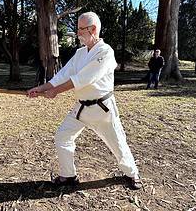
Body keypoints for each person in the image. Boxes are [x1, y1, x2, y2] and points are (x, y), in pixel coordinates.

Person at [27, 12, 142, 190]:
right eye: (78, 29)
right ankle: (68, 175)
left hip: (102, 109)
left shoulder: (105, 52)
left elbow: (83, 78)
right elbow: (64, 74)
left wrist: (55, 91)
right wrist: (42, 88)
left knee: (118, 143)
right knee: (62, 136)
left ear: (93, 29)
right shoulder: (80, 53)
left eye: (81, 29)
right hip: (81, 108)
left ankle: (132, 174)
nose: (78, 33)